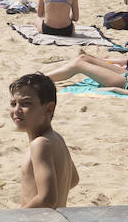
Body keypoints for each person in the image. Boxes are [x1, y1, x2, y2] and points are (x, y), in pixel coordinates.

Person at [9, 73, 79, 209]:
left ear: (48, 109)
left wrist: (18, 217)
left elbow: (47, 199)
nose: (17, 110)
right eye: (13, 103)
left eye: (26, 104)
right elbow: (73, 179)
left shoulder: (40, 145)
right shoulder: (56, 138)